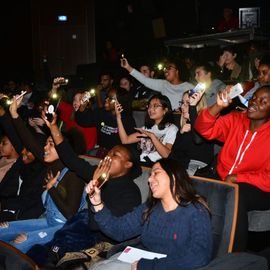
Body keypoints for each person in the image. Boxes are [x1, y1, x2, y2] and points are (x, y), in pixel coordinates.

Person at [27, 144, 142, 267]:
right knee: (33, 253)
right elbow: (73, 161)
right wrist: (56, 133)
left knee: (50, 256)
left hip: (96, 241)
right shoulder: (101, 177)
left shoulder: (130, 193)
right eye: (109, 152)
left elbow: (96, 225)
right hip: (76, 226)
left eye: (115, 155)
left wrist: (95, 187)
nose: (108, 156)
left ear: (128, 164)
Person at [87, 158, 213, 270]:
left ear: (173, 176)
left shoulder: (196, 210)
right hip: (142, 261)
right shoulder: (149, 208)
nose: (149, 179)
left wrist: (148, 266)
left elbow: (200, 255)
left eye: (156, 173)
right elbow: (119, 230)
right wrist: (98, 203)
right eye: (150, 175)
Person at [0, 96, 87, 253]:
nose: (45, 148)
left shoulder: (73, 175)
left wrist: (52, 189)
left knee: (17, 246)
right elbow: (29, 141)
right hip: (47, 221)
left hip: (64, 228)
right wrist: (14, 114)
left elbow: (70, 214)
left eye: (51, 144)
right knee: (1, 230)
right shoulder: (51, 164)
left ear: (64, 149)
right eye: (46, 143)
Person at [194, 85, 270, 252]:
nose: (254, 103)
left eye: (263, 101)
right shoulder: (237, 119)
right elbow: (203, 129)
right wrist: (218, 107)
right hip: (223, 177)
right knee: (191, 188)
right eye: (254, 98)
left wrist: (237, 178)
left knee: (235, 193)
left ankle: (234, 254)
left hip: (259, 188)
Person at [116, 94, 178, 166]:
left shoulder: (172, 129)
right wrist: (118, 117)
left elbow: (166, 154)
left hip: (158, 166)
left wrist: (152, 136)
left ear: (165, 110)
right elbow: (125, 140)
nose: (151, 109)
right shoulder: (147, 128)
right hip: (142, 163)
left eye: (155, 106)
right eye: (150, 106)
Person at [75, 87, 137, 158]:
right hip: (102, 151)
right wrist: (82, 107)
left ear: (120, 101)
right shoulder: (101, 113)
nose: (106, 99)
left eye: (110, 98)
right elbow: (83, 122)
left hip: (118, 156)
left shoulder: (127, 120)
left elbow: (130, 146)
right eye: (107, 97)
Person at [121, 57, 194, 111]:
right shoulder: (163, 84)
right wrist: (128, 67)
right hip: (167, 122)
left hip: (182, 121)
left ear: (177, 71)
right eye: (165, 68)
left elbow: (199, 104)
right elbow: (145, 80)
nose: (165, 70)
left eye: (169, 68)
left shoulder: (189, 87)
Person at [169, 90, 213, 176]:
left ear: (197, 105)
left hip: (197, 166)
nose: (182, 106)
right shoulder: (185, 125)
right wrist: (180, 133)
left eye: (187, 103)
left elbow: (197, 141)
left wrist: (192, 109)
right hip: (182, 165)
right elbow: (174, 153)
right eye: (182, 102)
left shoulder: (205, 123)